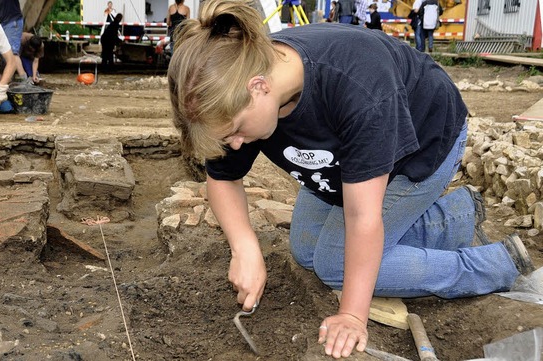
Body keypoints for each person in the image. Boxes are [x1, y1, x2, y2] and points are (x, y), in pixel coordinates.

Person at [168, 0, 536, 358]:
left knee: (334, 265)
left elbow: (363, 218)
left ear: (259, 87)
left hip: (420, 148)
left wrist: (352, 315)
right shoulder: (238, 88)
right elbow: (222, 178)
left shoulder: (357, 86)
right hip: (348, 160)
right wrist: (244, 247)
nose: (233, 144)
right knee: (306, 249)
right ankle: (458, 216)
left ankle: (492, 265)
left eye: (234, 132)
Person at [0, 0, 25, 79]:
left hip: (13, 21)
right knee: (0, 50)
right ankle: (7, 76)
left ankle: (24, 80)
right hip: (4, 23)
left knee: (12, 52)